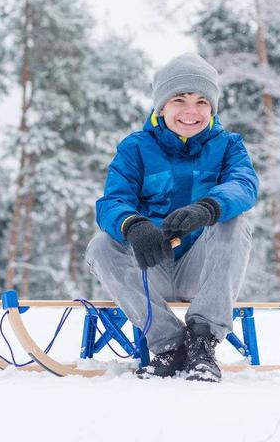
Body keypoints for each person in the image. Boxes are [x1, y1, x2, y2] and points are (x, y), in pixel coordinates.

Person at [84, 53, 258, 382]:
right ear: (161, 106)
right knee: (101, 246)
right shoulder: (135, 148)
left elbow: (243, 185)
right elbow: (112, 201)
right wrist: (133, 225)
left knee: (234, 221)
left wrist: (207, 207)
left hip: (203, 268)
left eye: (201, 101)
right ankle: (169, 345)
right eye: (179, 99)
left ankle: (203, 341)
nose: (191, 111)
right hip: (152, 267)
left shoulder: (229, 146)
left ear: (212, 108)